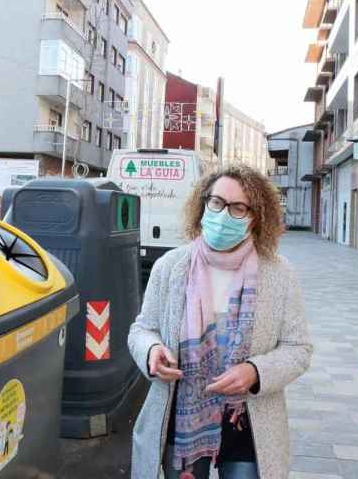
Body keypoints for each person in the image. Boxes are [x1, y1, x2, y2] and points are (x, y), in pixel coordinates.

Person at [128, 164, 312, 479]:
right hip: (180, 417)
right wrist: (152, 350)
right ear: (202, 205)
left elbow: (299, 348)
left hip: (248, 424)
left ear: (256, 217)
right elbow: (143, 328)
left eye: (238, 207)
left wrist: (256, 372)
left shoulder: (280, 274)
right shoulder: (170, 266)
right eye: (217, 203)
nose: (224, 214)